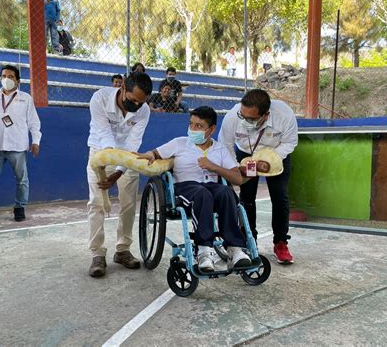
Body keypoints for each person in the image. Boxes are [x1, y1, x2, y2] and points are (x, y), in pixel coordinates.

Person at [138, 106, 251, 272]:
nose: (192, 129)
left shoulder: (220, 149)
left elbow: (237, 179)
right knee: (202, 193)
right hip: (185, 188)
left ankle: (235, 249)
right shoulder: (180, 143)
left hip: (211, 187)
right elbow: (155, 153)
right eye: (191, 124)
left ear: (211, 129)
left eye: (198, 126)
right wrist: (150, 154)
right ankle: (203, 251)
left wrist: (214, 168)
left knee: (226, 192)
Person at [218, 89, 298, 264]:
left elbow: (290, 142)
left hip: (276, 155)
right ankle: (248, 239)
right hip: (246, 155)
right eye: (243, 115)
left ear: (266, 115)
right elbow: (226, 144)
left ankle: (281, 242)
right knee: (246, 197)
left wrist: (270, 160)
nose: (246, 121)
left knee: (280, 197)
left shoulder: (284, 115)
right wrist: (236, 168)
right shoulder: (232, 117)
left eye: (252, 119)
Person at [87, 72, 153, 278]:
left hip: (128, 157)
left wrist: (118, 172)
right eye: (133, 100)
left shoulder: (144, 110)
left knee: (128, 204)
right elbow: (104, 134)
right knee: (97, 203)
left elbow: (134, 143)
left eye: (141, 103)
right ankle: (97, 254)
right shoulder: (99, 99)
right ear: (123, 88)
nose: (136, 106)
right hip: (99, 153)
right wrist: (109, 166)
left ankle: (123, 250)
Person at [0, 65, 41, 224]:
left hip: (18, 147)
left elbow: (34, 122)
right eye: (4, 75)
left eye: (11, 76)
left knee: (22, 180)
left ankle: (19, 208)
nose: (6, 79)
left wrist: (36, 141)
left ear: (17, 81)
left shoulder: (26, 98)